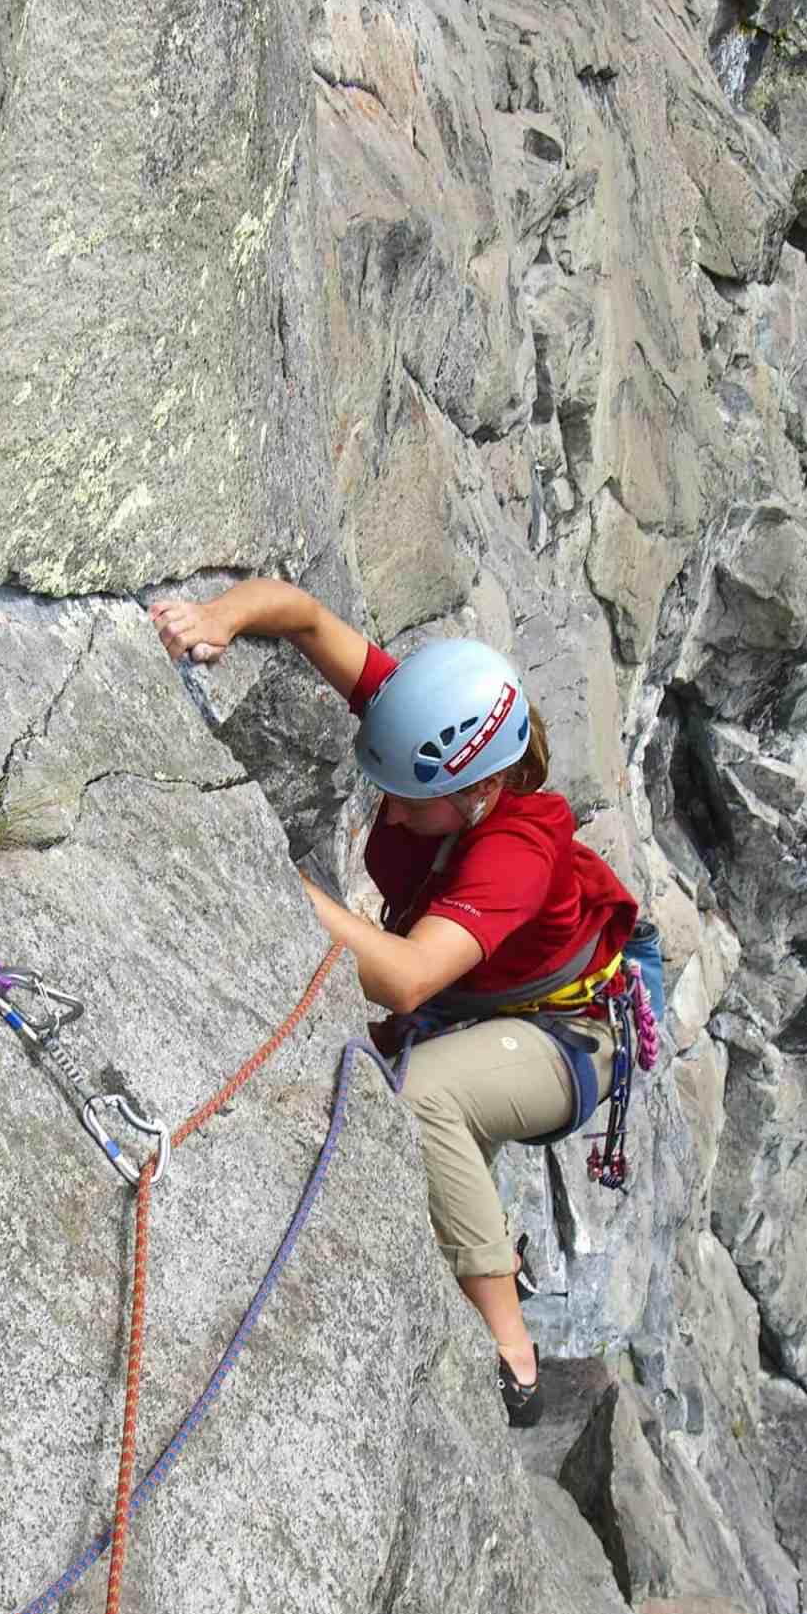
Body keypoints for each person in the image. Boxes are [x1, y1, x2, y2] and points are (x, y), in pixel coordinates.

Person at [150, 576, 639, 1427]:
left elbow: (410, 976)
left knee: (424, 1097)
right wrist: (217, 619)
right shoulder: (426, 723)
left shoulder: (518, 847)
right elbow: (303, 616)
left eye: (411, 801)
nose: (392, 807)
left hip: (564, 1040)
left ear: (477, 792)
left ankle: (512, 1349)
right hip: (476, 1016)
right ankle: (486, 1243)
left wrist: (277, 881)